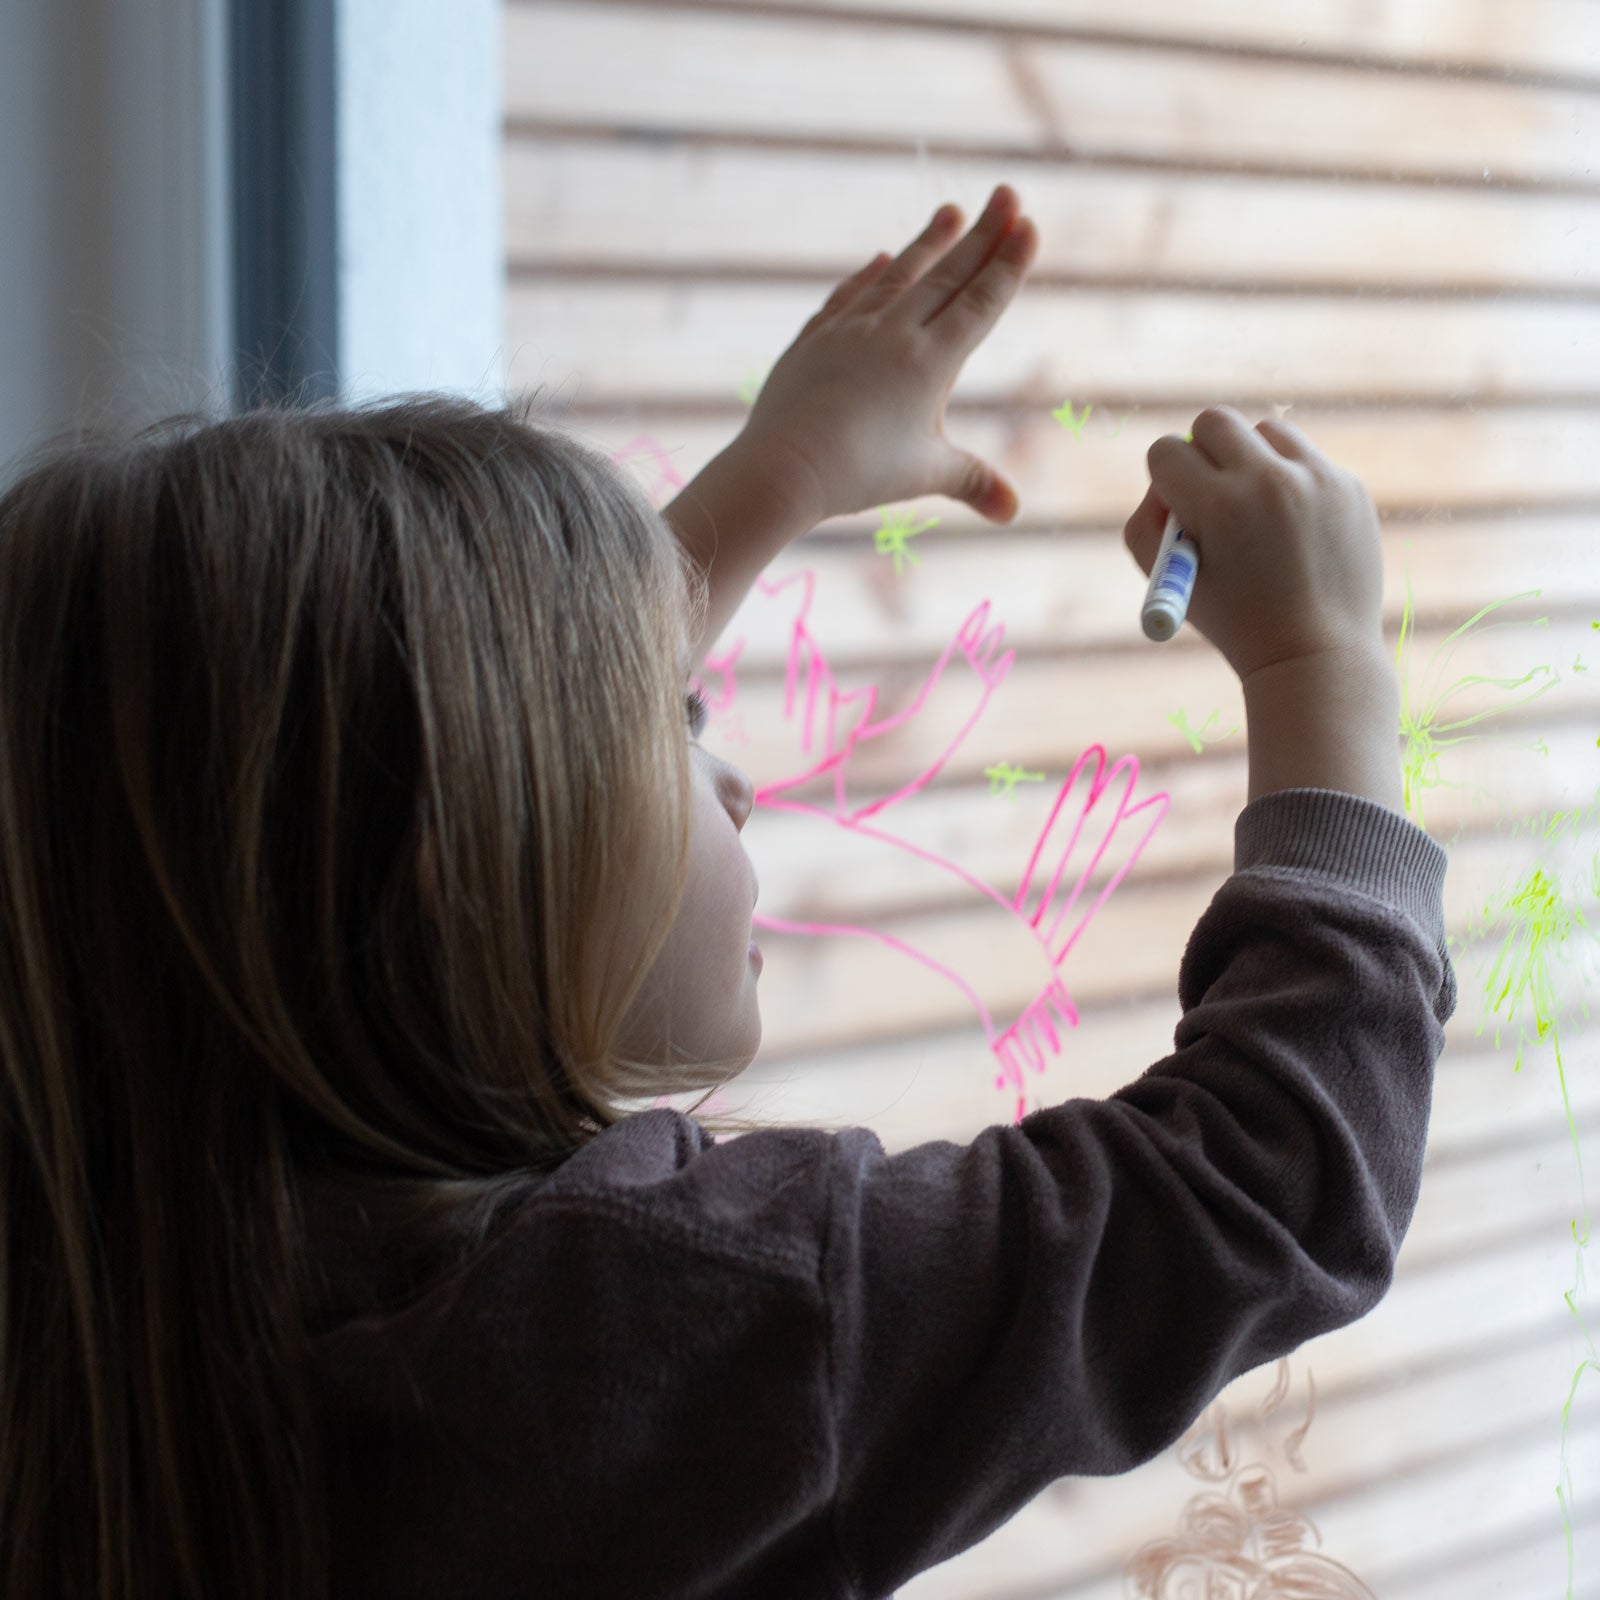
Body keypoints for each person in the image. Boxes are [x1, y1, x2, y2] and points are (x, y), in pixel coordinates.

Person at [0, 185, 1454, 1600]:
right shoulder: (657, 1325)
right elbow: (1265, 1189)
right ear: (472, 879)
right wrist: (1320, 662)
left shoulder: (92, 1290)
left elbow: (447, 787)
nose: (743, 780)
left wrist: (781, 476)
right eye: (676, 723)